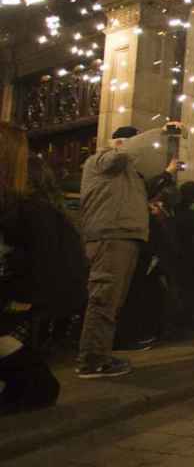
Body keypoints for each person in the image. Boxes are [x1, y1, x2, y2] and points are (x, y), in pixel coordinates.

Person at [77, 123, 180, 379]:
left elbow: (143, 192)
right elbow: (124, 151)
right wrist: (161, 131)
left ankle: (99, 354)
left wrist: (166, 173)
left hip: (123, 236)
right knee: (104, 297)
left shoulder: (127, 173)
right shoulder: (102, 159)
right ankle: (92, 359)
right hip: (112, 235)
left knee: (112, 299)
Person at [1, 127, 85, 413]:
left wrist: (21, 298)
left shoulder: (33, 211)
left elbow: (45, 265)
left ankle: (34, 384)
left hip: (24, 293)